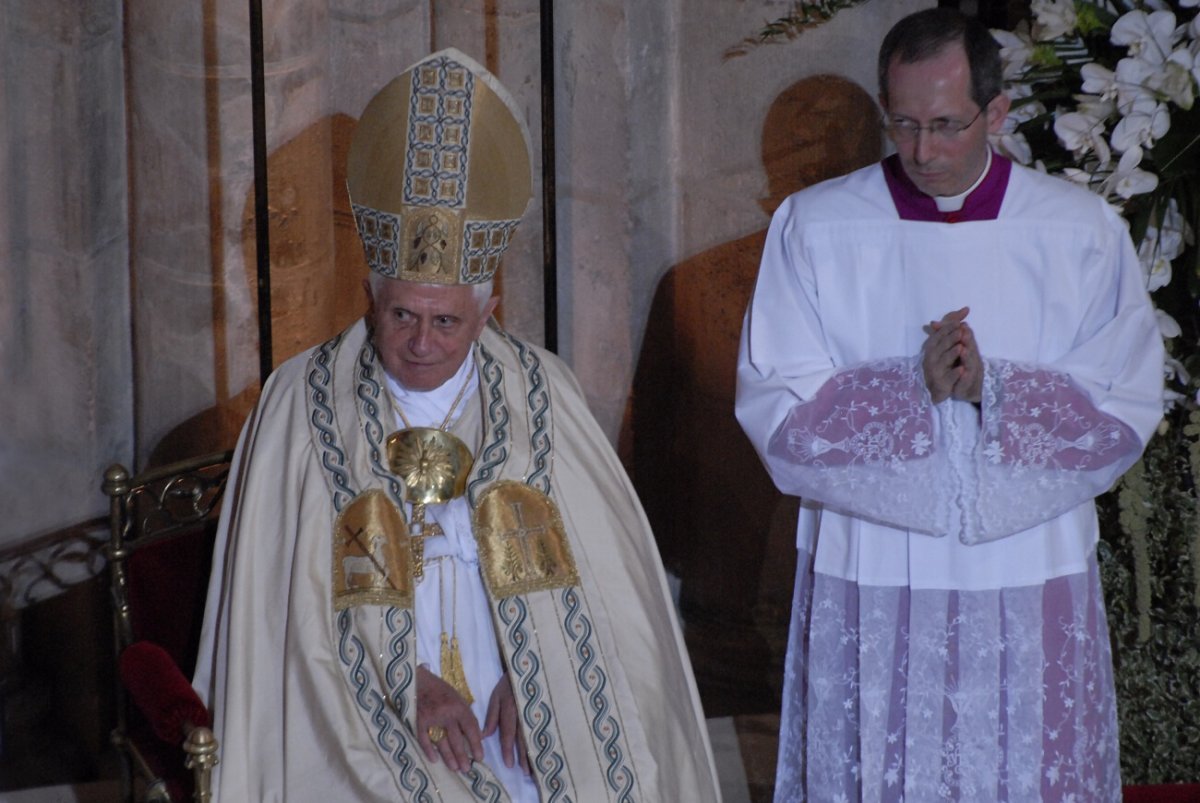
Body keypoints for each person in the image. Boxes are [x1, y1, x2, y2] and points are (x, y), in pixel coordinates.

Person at [193, 49, 720, 802]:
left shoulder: (541, 394)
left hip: (511, 673)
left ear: (489, 307)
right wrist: (404, 680)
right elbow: (289, 608)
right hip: (355, 689)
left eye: (446, 321)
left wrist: (535, 678)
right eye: (401, 314)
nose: (420, 342)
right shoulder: (300, 404)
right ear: (371, 294)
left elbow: (603, 593)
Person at [735, 8, 1164, 802]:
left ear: (995, 114)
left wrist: (990, 389)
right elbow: (776, 410)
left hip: (1025, 566)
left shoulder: (1078, 232)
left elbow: (1124, 400)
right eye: (901, 123)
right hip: (873, 565)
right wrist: (911, 388)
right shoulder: (819, 226)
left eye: (945, 125)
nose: (922, 151)